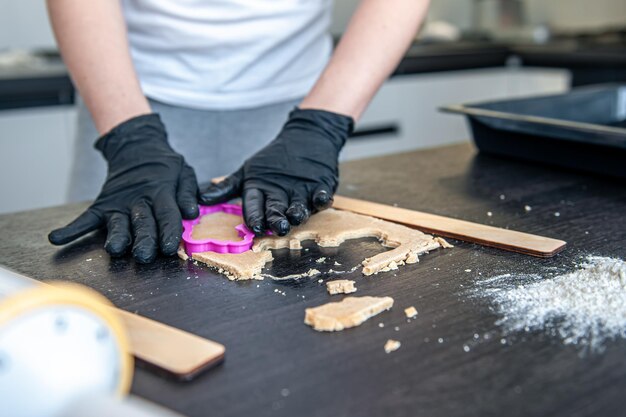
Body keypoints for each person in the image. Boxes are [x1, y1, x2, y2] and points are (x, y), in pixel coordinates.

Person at [46, 0, 430, 263]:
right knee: (102, 276)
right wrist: (128, 135)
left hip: (303, 107)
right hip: (122, 95)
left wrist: (322, 122)